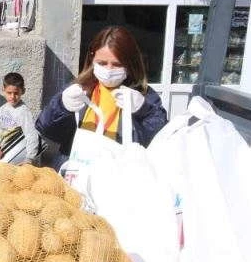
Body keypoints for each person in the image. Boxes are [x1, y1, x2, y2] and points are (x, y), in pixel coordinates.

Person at [36, 26, 168, 168]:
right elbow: (46, 130)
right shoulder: (80, 89)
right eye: (102, 63)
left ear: (130, 64)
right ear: (92, 59)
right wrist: (62, 106)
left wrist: (144, 110)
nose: (109, 70)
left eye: (117, 64)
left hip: (119, 173)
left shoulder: (144, 96)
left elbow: (162, 141)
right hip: (76, 172)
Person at [0, 72, 41, 166]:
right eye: (9, 93)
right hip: (4, 154)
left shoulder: (23, 112)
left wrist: (30, 158)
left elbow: (31, 135)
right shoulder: (2, 109)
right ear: (3, 90)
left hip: (18, 158)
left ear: (23, 91)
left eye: (16, 93)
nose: (12, 97)